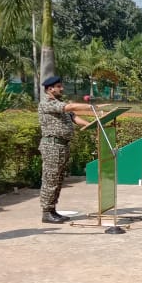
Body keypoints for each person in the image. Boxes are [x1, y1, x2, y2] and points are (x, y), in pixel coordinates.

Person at [38, 76, 99, 224]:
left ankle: (52, 210)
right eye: (59, 86)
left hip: (61, 145)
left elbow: (74, 118)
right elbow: (70, 107)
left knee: (58, 180)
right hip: (52, 145)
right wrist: (89, 106)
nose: (62, 88)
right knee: (51, 179)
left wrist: (95, 126)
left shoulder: (58, 103)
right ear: (50, 89)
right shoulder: (46, 103)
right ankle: (46, 212)